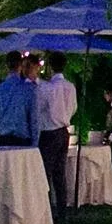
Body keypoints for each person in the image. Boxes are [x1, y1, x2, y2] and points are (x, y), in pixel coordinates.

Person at [36, 50, 76, 215]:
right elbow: (73, 108)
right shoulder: (70, 87)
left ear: (50, 66)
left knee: (45, 172)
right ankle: (62, 209)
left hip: (49, 133)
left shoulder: (47, 88)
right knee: (60, 173)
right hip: (63, 132)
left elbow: (39, 108)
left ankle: (46, 210)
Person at [0, 51, 38, 148]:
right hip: (22, 140)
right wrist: (35, 144)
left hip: (1, 139)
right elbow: (34, 119)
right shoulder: (29, 90)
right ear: (21, 65)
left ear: (6, 65)